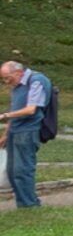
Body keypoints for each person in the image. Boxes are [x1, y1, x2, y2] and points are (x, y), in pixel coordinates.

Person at [3, 60, 45, 212]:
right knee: (12, 170)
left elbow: (30, 109)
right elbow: (15, 109)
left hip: (28, 130)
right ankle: (23, 204)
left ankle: (30, 205)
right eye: (4, 79)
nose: (6, 82)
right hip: (14, 131)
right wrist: (5, 135)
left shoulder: (37, 80)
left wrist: (4, 116)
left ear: (18, 73)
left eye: (8, 78)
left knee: (23, 169)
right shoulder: (17, 85)